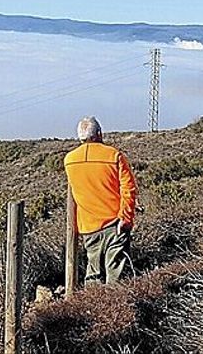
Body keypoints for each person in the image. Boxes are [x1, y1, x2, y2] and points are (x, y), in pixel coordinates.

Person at [64, 116, 137, 285]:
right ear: (99, 133)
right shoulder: (114, 156)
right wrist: (125, 218)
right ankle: (117, 309)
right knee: (117, 278)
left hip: (88, 227)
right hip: (115, 224)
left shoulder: (69, 160)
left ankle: (92, 308)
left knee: (93, 274)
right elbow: (129, 189)